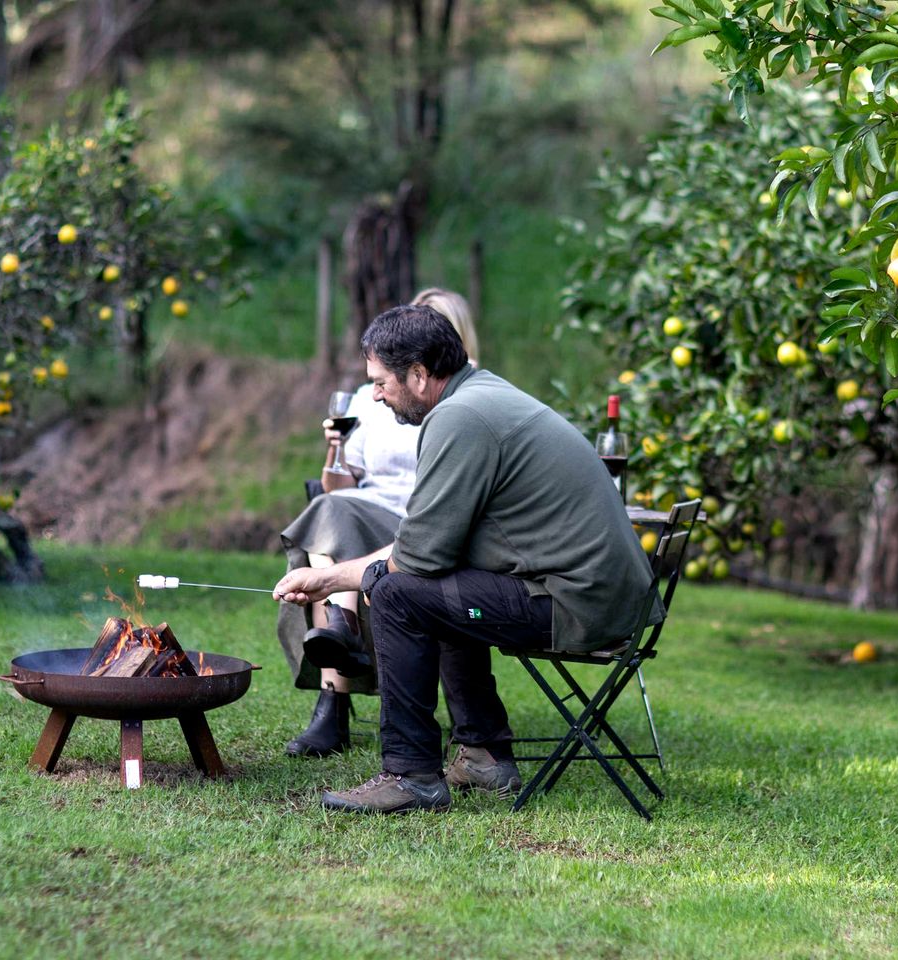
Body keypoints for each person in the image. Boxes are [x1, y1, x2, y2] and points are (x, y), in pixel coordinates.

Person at [272, 303, 654, 813]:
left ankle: (412, 776)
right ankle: (483, 755)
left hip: (577, 603)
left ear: (420, 374)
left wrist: (332, 578)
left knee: (395, 594)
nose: (377, 396)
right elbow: (427, 544)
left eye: (381, 383)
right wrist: (336, 578)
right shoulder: (480, 394)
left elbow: (417, 559)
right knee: (431, 589)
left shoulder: (460, 417)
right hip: (600, 594)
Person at [276, 289, 480, 758]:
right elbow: (337, 484)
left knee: (327, 526)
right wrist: (335, 447)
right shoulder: (375, 398)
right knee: (331, 512)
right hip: (361, 509)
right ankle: (339, 633)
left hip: (418, 520)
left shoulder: (457, 402)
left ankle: (335, 676)